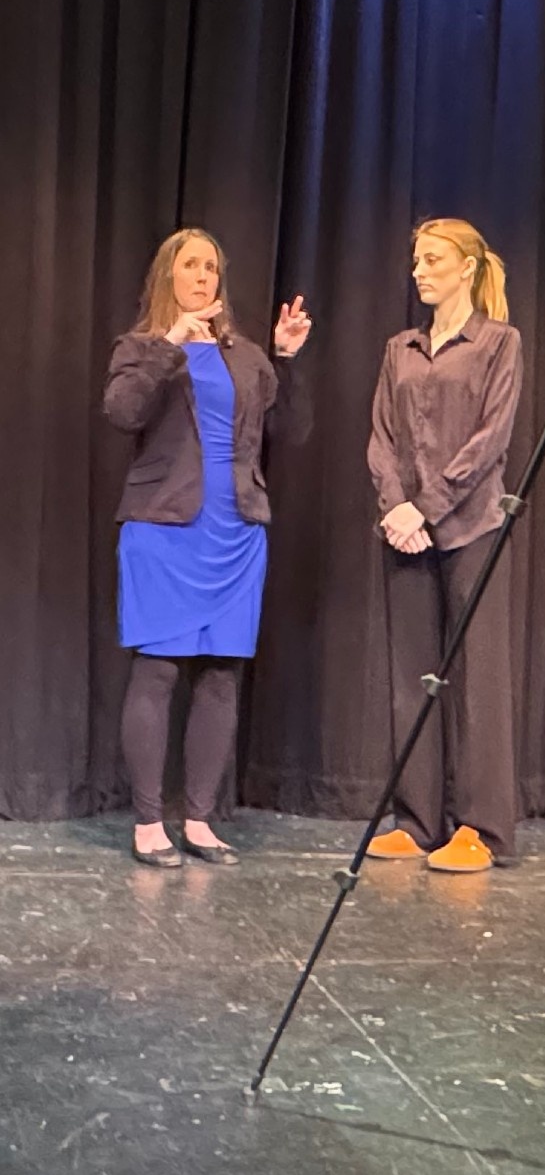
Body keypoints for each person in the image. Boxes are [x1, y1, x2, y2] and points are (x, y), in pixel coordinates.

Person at [104, 229, 312, 868]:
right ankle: (147, 824)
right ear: (168, 276)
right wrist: (170, 345)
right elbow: (122, 411)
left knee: (221, 676)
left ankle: (198, 819)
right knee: (160, 670)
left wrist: (287, 361)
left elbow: (292, 432)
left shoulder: (246, 357)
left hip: (236, 529)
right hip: (164, 528)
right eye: (191, 266)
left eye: (212, 268)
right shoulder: (141, 347)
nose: (203, 277)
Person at [366, 218, 522, 873]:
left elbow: (492, 438)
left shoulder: (498, 343)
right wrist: (396, 506)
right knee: (412, 679)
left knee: (477, 681)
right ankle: (417, 818)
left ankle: (479, 825)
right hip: (405, 528)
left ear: (467, 267)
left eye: (433, 260)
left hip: (472, 525)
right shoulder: (399, 348)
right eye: (417, 261)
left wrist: (428, 506)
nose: (420, 271)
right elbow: (380, 437)